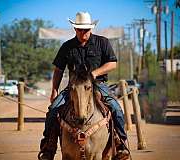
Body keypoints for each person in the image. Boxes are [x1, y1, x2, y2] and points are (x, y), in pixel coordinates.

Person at [39, 12, 129, 160]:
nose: (83, 33)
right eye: (80, 30)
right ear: (75, 29)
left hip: (98, 85)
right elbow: (58, 70)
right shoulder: (67, 47)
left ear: (91, 29)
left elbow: (112, 63)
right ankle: (48, 147)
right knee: (53, 110)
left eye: (86, 30)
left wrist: (94, 74)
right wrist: (54, 90)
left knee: (116, 108)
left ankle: (121, 145)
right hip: (73, 87)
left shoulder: (102, 42)